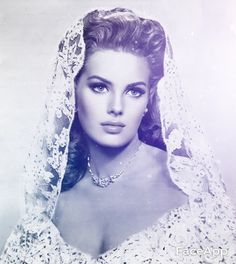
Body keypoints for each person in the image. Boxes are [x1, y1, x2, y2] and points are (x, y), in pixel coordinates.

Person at [1, 7, 236, 264]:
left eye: (133, 91)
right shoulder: (50, 199)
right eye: (99, 87)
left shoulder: (188, 189)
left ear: (148, 99)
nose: (116, 107)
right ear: (72, 93)